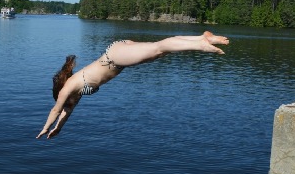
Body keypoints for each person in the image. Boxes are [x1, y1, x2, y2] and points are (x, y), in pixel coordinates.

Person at [37, 31, 230, 139]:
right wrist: (58, 129)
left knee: (159, 47)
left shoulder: (69, 87)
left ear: (60, 92)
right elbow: (65, 113)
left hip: (114, 58)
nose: (66, 105)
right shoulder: (76, 93)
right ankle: (201, 38)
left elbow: (56, 110)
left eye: (64, 101)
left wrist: (45, 127)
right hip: (118, 57)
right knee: (160, 50)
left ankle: (201, 45)